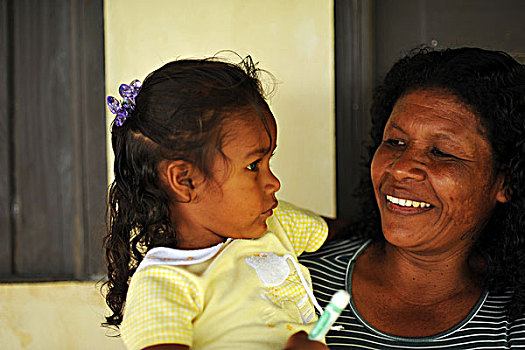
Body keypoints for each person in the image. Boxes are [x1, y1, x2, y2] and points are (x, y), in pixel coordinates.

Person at [292, 47, 525, 349]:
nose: (400, 168)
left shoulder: (513, 324)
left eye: (442, 152)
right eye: (395, 142)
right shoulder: (294, 279)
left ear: (505, 183)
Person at [102, 55, 333, 350]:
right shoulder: (163, 286)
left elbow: (346, 233)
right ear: (186, 181)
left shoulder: (277, 222)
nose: (274, 183)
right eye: (253, 166)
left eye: (269, 161)